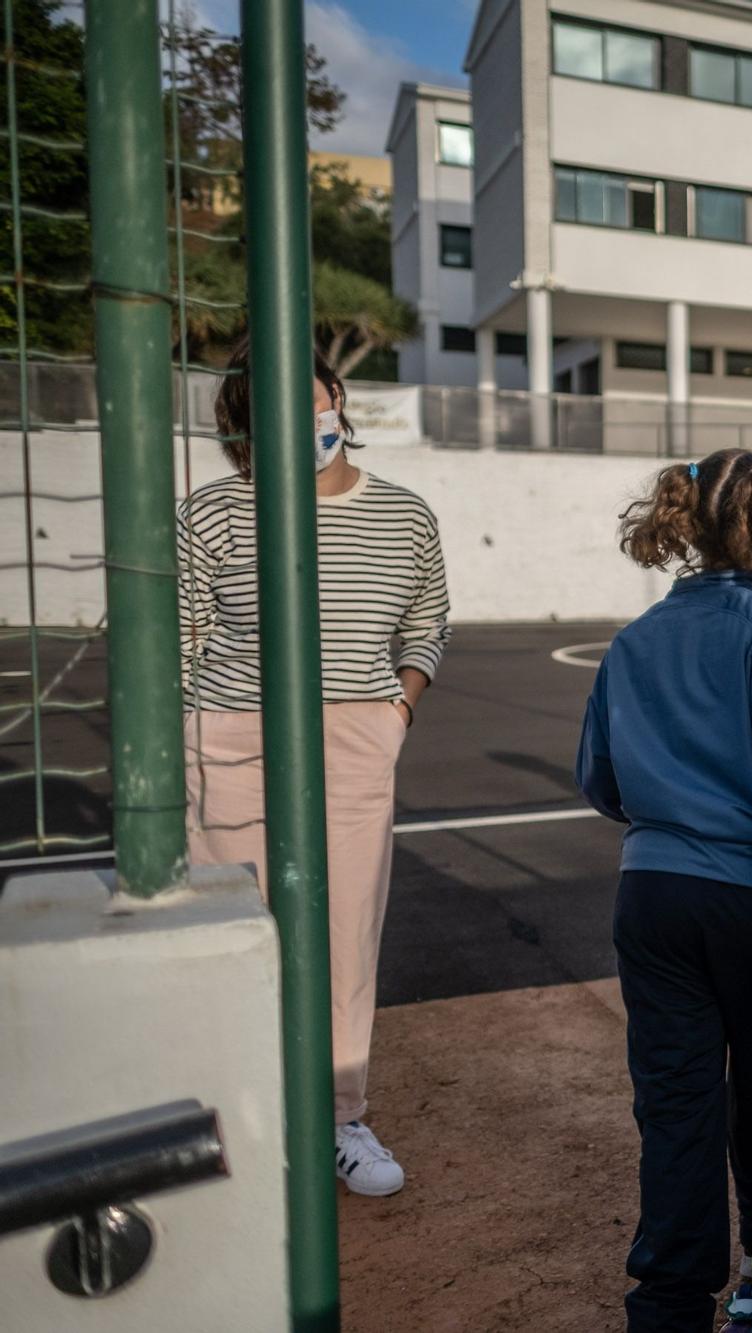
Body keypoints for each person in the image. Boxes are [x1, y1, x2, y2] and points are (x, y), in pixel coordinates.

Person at [574, 448, 752, 1333]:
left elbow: (599, 779)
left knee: (675, 1102)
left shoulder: (634, 638)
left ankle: (667, 1305)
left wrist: (667, 808)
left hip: (650, 897)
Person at [180, 339, 450, 1198]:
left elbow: (427, 623)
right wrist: (198, 721)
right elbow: (174, 637)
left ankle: (338, 1115)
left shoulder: (405, 516)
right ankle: (237, 1118)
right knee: (234, 933)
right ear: (244, 425)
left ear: (337, 398)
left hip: (354, 741)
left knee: (343, 935)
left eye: (313, 396)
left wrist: (394, 713)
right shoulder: (213, 511)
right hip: (230, 732)